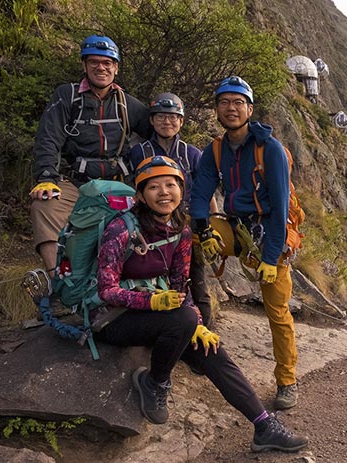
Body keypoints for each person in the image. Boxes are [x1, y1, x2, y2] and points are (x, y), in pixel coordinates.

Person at [94, 155, 308, 452]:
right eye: (154, 187)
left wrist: (196, 320)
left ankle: (264, 425)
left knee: (211, 348)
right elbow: (106, 290)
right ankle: (155, 383)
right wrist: (153, 302)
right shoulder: (120, 230)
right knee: (183, 320)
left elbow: (181, 285)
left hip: (161, 316)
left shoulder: (180, 231)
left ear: (182, 190)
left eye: (171, 184)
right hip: (112, 320)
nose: (164, 192)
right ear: (140, 195)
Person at [189, 76, 300, 409]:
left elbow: (280, 209)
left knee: (277, 310)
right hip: (236, 228)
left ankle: (287, 380)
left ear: (250, 109)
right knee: (188, 239)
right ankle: (190, 325)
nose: (231, 108)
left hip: (268, 234)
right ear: (217, 110)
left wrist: (270, 256)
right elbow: (200, 194)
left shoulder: (272, 150)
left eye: (239, 102)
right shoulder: (217, 150)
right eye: (225, 102)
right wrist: (204, 231)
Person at [29, 34, 150, 279]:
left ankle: (129, 284)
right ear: (84, 65)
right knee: (44, 207)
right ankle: (60, 284)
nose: (100, 67)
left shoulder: (128, 104)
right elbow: (48, 138)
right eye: (93, 62)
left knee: (145, 220)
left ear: (116, 68)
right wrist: (46, 177)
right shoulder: (67, 96)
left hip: (117, 185)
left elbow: (156, 135)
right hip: (77, 183)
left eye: (107, 63)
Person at [128, 92, 217, 327]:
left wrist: (213, 223)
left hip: (186, 222)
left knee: (196, 278)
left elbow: (206, 192)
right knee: (153, 275)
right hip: (149, 223)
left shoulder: (192, 154)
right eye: (161, 117)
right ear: (151, 120)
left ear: (181, 121)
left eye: (173, 117)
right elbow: (130, 189)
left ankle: (203, 331)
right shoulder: (139, 152)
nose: (167, 122)